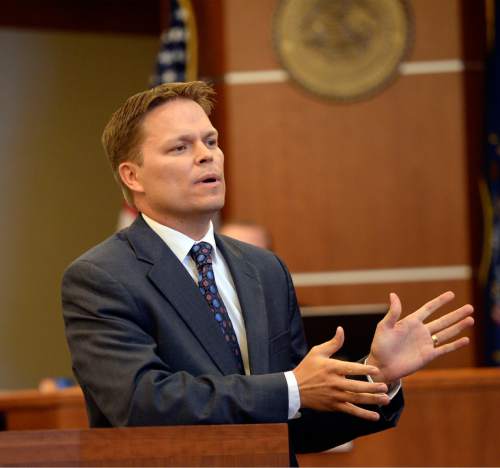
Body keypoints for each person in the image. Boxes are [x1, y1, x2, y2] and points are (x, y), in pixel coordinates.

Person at [62, 81, 474, 462]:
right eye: (180, 148)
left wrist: (375, 375)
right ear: (132, 176)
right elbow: (140, 404)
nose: (207, 155)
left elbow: (297, 422)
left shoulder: (262, 268)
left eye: (211, 141)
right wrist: (292, 388)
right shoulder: (102, 277)